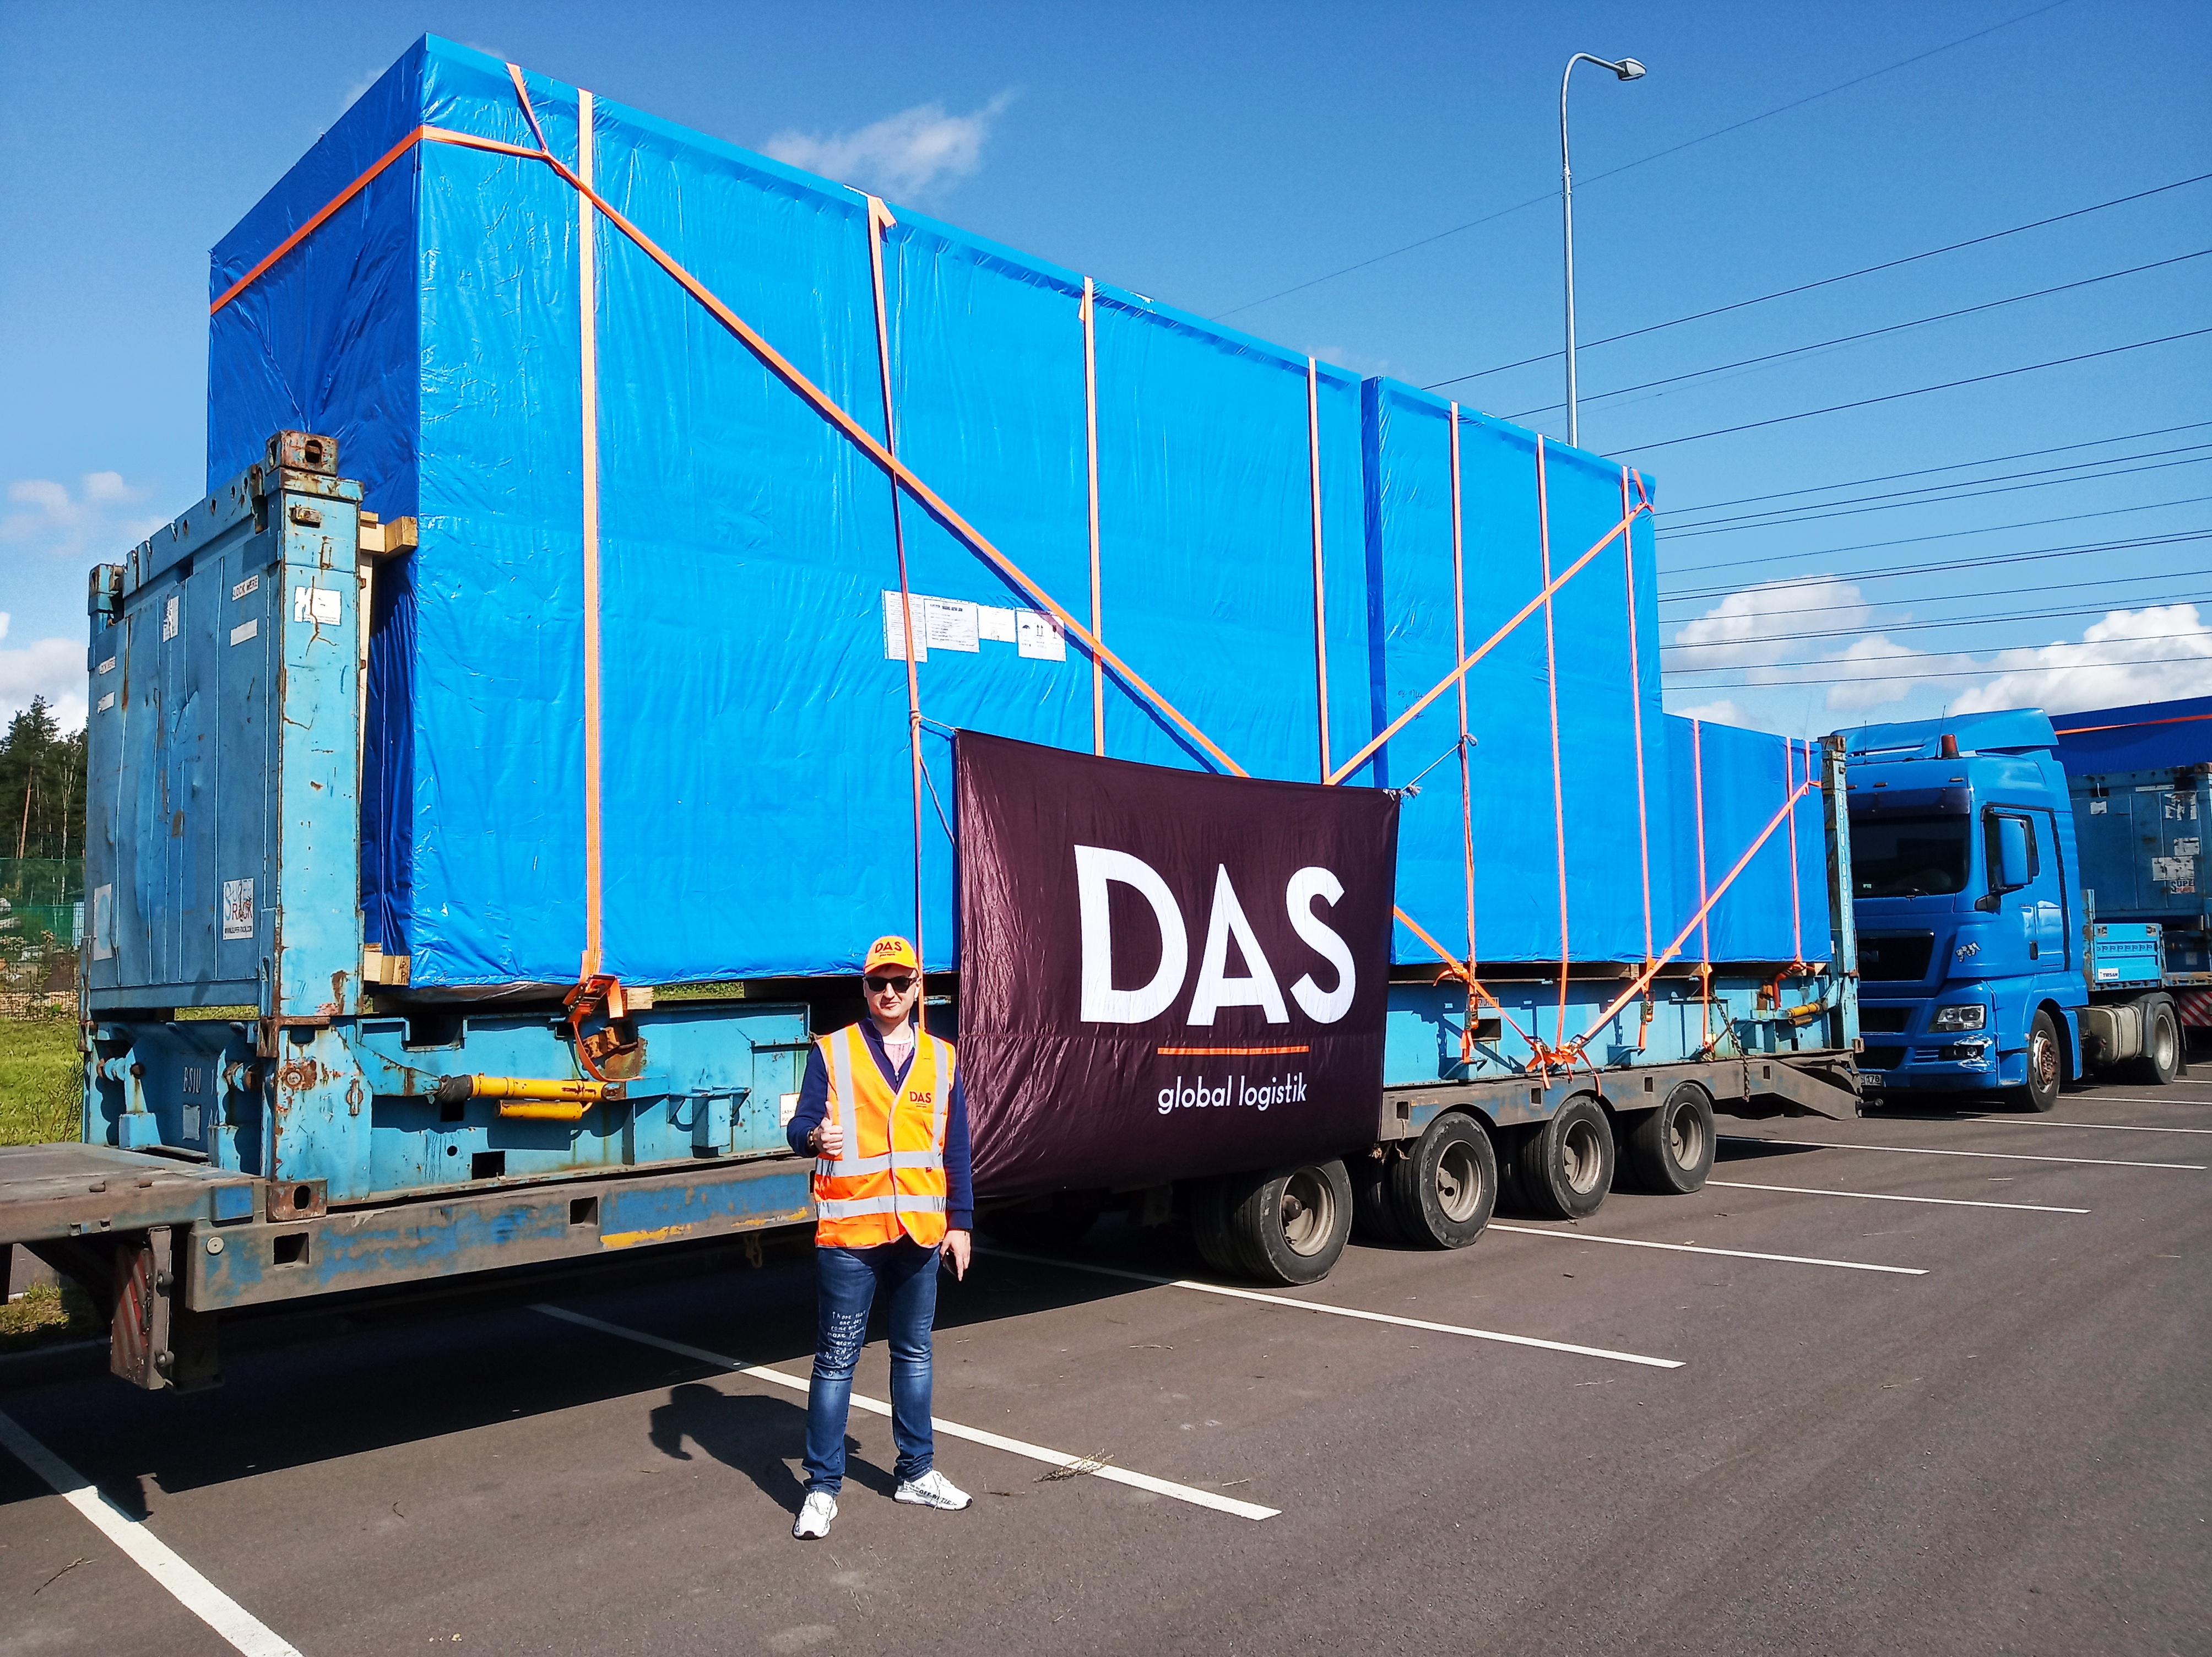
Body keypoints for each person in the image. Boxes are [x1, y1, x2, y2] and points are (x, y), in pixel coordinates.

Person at [784, 934, 974, 1540]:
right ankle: (821, 1487)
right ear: (864, 988)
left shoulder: (942, 1059)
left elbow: (955, 1148)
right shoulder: (833, 1051)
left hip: (919, 1233)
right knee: (836, 1361)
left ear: (918, 988)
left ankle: (916, 1472)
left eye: (900, 981)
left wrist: (961, 1223)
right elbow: (798, 1126)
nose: (888, 992)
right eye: (877, 982)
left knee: (914, 1354)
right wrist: (814, 1138)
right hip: (851, 1233)